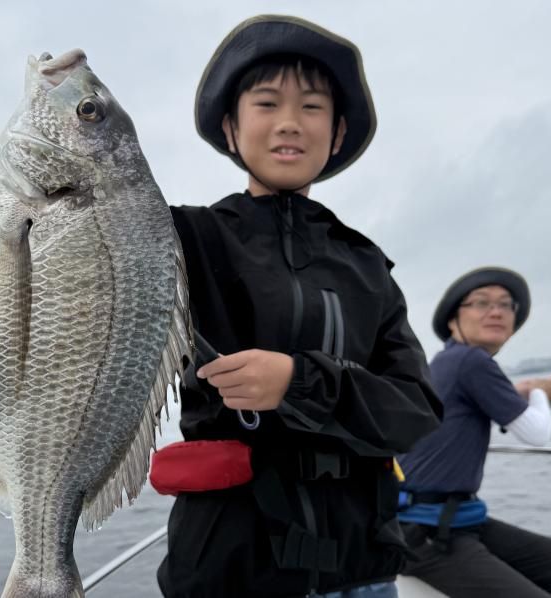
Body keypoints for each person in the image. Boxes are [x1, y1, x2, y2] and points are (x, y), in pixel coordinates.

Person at [154, 15, 443, 598]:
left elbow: (416, 411)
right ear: (231, 128)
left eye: (312, 107)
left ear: (336, 135)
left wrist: (299, 381)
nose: (290, 123)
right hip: (229, 575)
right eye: (266, 103)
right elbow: (56, 250)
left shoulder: (367, 266)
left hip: (362, 575)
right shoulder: (183, 239)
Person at [397, 267, 551, 598]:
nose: (496, 311)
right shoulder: (472, 362)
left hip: (454, 519)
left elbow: (467, 405)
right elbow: (535, 433)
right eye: (481, 302)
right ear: (452, 320)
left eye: (506, 305)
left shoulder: (452, 362)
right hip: (424, 532)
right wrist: (540, 394)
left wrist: (524, 391)